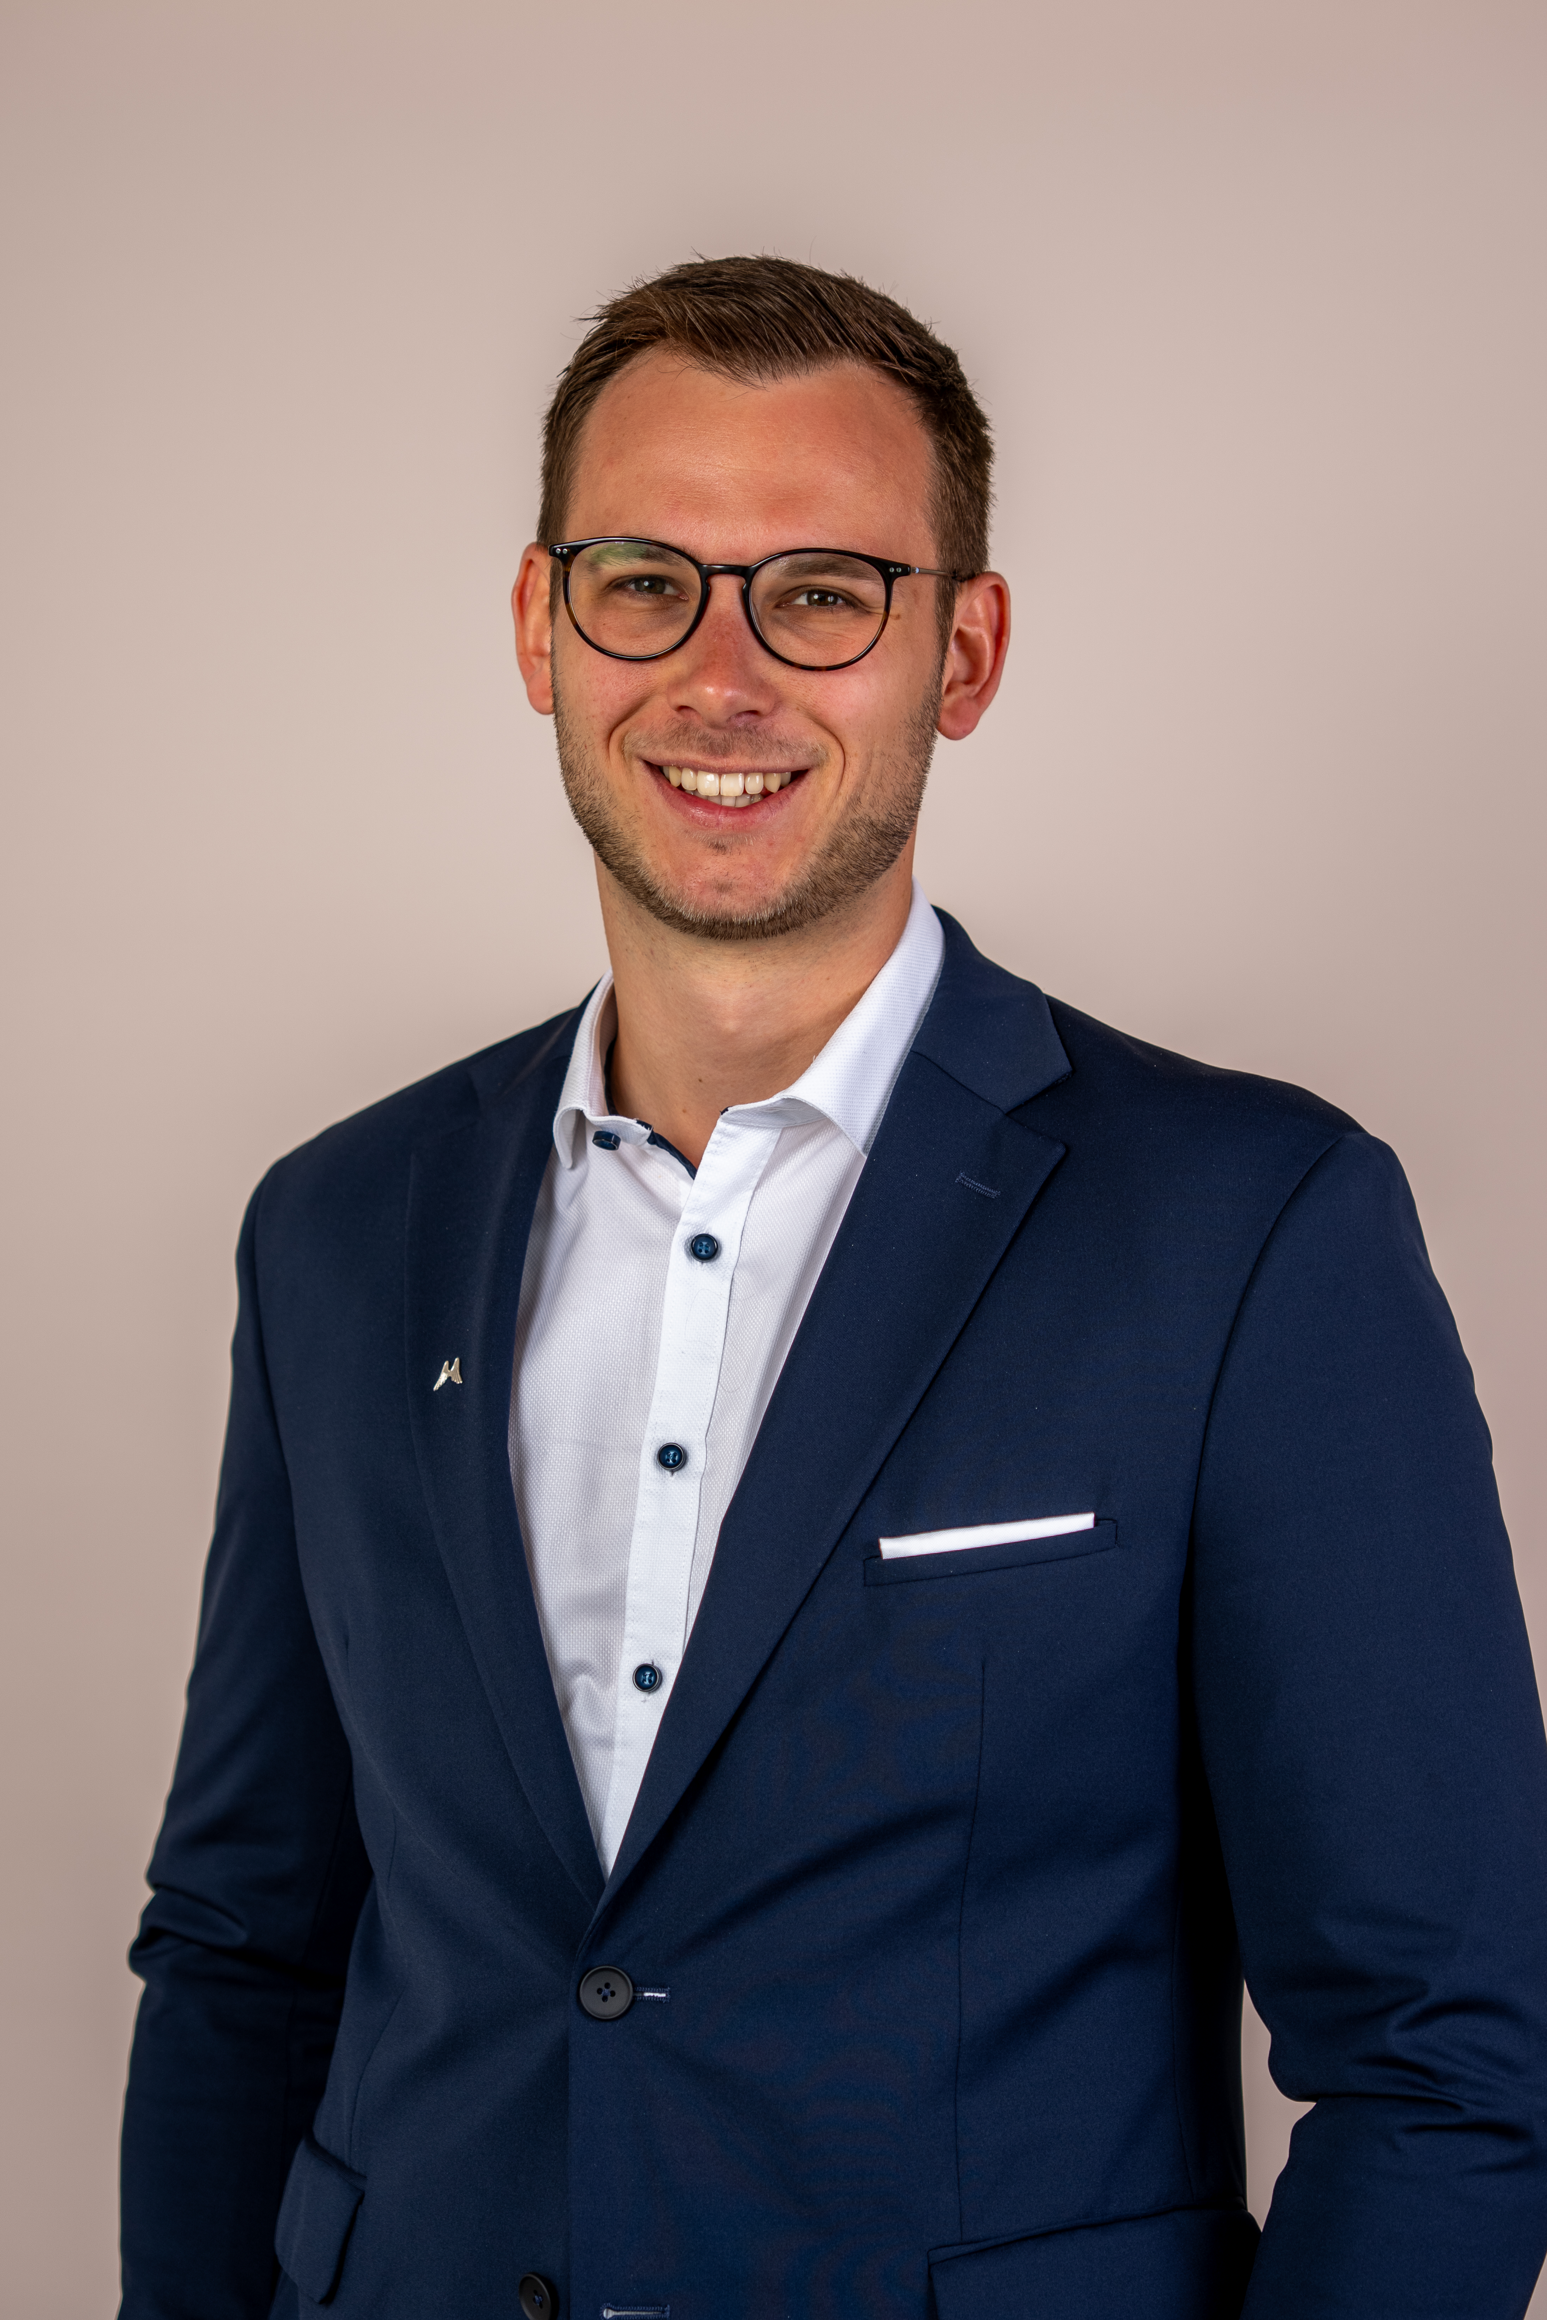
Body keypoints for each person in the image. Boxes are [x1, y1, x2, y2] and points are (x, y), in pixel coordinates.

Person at [118, 255, 1547, 2320]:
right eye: (644, 580)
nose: (722, 673)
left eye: (821, 592)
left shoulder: (1250, 1229)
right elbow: (243, 1951)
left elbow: (1444, 2058)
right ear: (537, 626)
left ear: (960, 652)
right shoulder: (337, 1224)